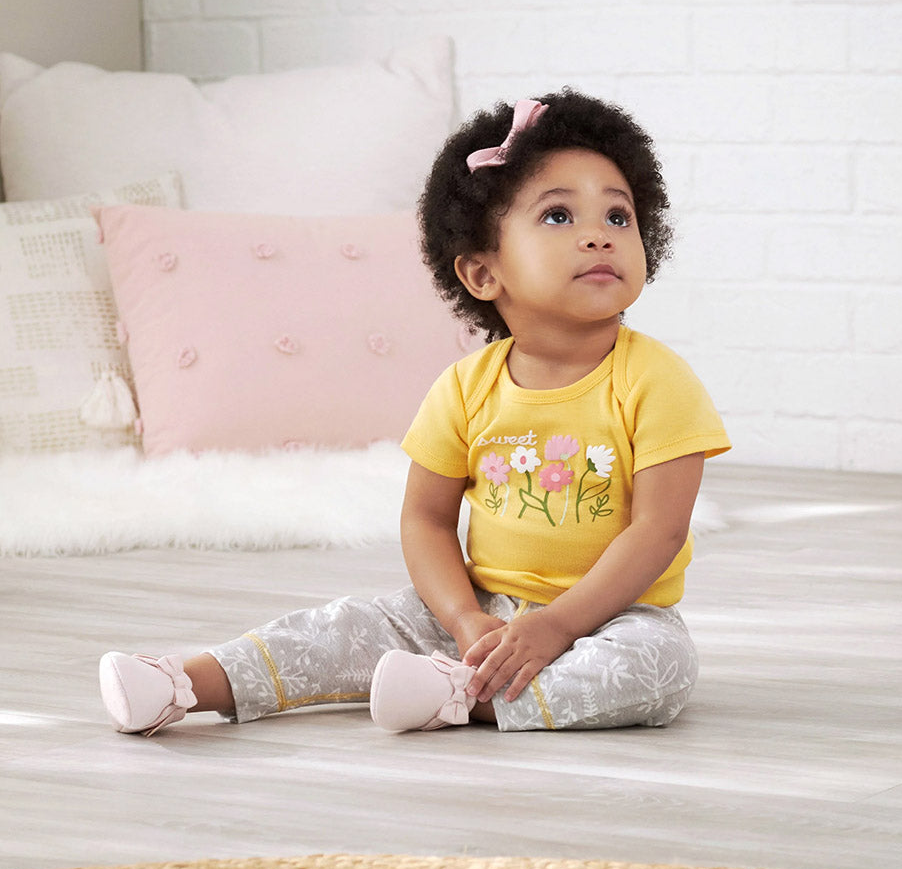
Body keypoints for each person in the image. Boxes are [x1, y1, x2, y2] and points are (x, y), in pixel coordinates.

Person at [99, 89, 731, 737]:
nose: (599, 234)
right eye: (559, 216)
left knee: (660, 666)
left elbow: (659, 532)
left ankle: (460, 693)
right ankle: (186, 683)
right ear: (483, 274)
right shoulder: (464, 388)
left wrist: (558, 625)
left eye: (619, 217)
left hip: (614, 617)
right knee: (344, 626)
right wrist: (463, 620)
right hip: (479, 610)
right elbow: (426, 520)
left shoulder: (658, 381)